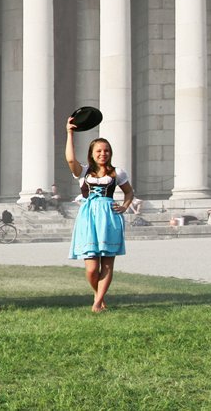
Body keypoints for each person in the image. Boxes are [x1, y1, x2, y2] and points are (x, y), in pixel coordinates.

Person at [65, 116, 134, 313]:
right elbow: (70, 159)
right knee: (92, 268)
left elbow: (129, 192)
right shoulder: (83, 172)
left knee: (108, 263)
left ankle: (97, 303)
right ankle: (98, 294)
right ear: (92, 154)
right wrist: (70, 132)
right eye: (99, 151)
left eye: (106, 151)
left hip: (110, 218)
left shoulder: (117, 172)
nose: (103, 154)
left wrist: (124, 206)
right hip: (88, 219)